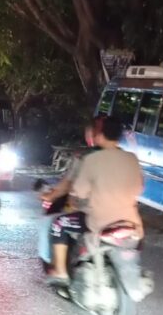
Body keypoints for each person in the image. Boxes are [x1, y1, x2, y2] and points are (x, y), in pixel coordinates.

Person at [47, 115, 143, 285]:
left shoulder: (91, 159)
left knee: (59, 224)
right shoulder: (132, 159)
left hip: (100, 221)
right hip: (131, 222)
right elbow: (139, 188)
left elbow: (80, 192)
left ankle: (61, 272)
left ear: (99, 134)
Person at [37, 121, 101, 268]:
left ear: (93, 135)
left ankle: (58, 270)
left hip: (91, 215)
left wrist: (49, 196)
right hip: (124, 217)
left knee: (55, 223)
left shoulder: (85, 158)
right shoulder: (127, 158)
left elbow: (69, 185)